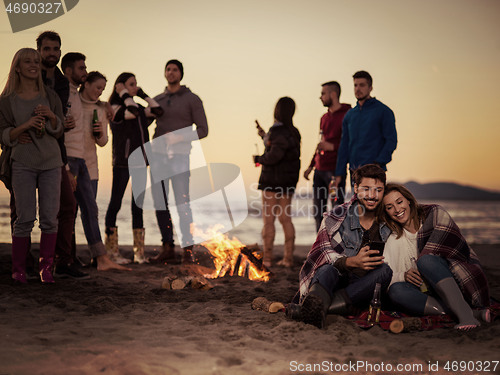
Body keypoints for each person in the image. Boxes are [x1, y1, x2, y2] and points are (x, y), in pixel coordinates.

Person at [288, 164, 392, 328]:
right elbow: (322, 253)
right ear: (356, 188)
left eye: (378, 190)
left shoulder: (389, 220)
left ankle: (313, 309)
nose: (372, 195)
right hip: (337, 278)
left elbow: (413, 213)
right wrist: (352, 262)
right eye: (366, 189)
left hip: (363, 286)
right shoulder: (336, 216)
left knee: (385, 272)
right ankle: (320, 304)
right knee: (326, 269)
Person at [381, 183, 490, 330]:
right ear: (386, 212)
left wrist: (425, 263)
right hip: (426, 292)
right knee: (396, 291)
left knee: (426, 261)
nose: (397, 209)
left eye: (399, 202)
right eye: (389, 207)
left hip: (454, 281)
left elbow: (457, 251)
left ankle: (465, 315)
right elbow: (385, 275)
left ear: (409, 200)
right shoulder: (393, 239)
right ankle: (463, 311)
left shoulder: (433, 215)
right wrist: (403, 275)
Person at [0, 48, 64, 283]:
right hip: (22, 161)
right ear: (17, 66)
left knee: (49, 217)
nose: (34, 64)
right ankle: (18, 270)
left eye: (36, 61)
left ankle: (45, 269)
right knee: (24, 217)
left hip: (51, 161)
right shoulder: (7, 100)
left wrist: (52, 116)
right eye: (27, 61)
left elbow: (59, 131)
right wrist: (24, 126)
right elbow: (3, 134)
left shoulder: (50, 96)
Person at [62, 53, 129, 271]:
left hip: (90, 167)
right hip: (71, 162)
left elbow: (103, 142)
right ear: (87, 83)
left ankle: (97, 257)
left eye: (102, 89)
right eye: (97, 87)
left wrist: (99, 133)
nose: (100, 91)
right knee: (69, 212)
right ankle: (69, 257)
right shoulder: (72, 101)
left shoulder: (101, 109)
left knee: (89, 210)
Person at [36, 31, 88, 279]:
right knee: (21, 212)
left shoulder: (61, 82)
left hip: (56, 152)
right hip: (27, 150)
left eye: (55, 49)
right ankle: (23, 263)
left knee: (68, 205)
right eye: (47, 49)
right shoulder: (27, 76)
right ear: (39, 51)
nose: (51, 53)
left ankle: (64, 261)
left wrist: (66, 164)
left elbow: (59, 121)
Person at [149, 59, 208, 264]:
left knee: (182, 202)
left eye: (175, 69)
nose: (171, 72)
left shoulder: (192, 99)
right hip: (158, 158)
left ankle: (188, 249)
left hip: (180, 158)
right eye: (168, 69)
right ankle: (167, 247)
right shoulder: (157, 100)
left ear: (181, 74)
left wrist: (180, 137)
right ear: (164, 73)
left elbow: (203, 130)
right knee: (160, 203)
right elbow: (141, 120)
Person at [105, 72, 163, 264]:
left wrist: (143, 94)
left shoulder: (136, 107)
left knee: (137, 206)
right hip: (123, 162)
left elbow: (157, 111)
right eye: (131, 84)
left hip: (140, 162)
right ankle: (111, 251)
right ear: (119, 87)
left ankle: (139, 253)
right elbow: (132, 109)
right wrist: (123, 95)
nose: (135, 87)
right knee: (115, 203)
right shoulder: (115, 108)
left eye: (136, 84)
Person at [252, 97, 301, 268]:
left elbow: (274, 155)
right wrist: (265, 136)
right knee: (285, 219)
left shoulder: (277, 131)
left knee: (269, 220)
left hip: (272, 181)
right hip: (287, 182)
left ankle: (267, 259)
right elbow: (278, 148)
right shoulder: (293, 132)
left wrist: (259, 158)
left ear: (277, 111)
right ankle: (288, 258)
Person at [333, 71, 397, 189]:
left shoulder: (383, 111)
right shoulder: (350, 115)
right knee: (358, 206)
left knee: (373, 206)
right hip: (354, 172)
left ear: (370, 88)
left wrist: (378, 163)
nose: (358, 89)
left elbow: (391, 140)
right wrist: (339, 173)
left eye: (362, 85)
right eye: (355, 85)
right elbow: (344, 146)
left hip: (374, 172)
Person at [303, 81, 351, 231]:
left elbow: (350, 143)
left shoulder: (347, 115)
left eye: (323, 93)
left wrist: (332, 146)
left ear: (333, 94)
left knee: (336, 210)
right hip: (319, 171)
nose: (320, 97)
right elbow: (320, 143)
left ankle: (338, 247)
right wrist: (311, 166)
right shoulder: (324, 118)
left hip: (334, 172)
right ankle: (321, 246)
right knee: (318, 212)